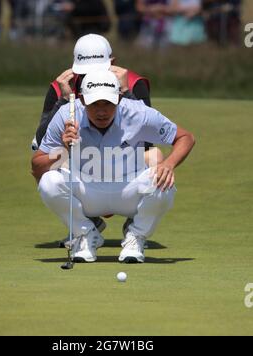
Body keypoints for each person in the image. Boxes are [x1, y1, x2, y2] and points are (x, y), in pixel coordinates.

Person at [31, 70, 195, 263]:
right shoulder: (67, 115)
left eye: (108, 103)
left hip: (129, 188)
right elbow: (37, 167)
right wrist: (62, 150)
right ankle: (85, 235)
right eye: (94, 104)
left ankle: (136, 237)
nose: (102, 111)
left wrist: (168, 164)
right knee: (49, 182)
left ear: (118, 98)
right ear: (82, 100)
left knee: (163, 182)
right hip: (86, 190)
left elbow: (185, 137)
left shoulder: (138, 113)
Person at [32, 33, 161, 246]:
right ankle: (86, 223)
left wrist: (126, 94)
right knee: (44, 161)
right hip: (81, 160)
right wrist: (63, 101)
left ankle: (135, 223)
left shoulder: (133, 83)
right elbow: (42, 139)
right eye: (83, 73)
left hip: (123, 160)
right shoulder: (61, 86)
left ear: (112, 64)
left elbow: (147, 140)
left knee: (154, 156)